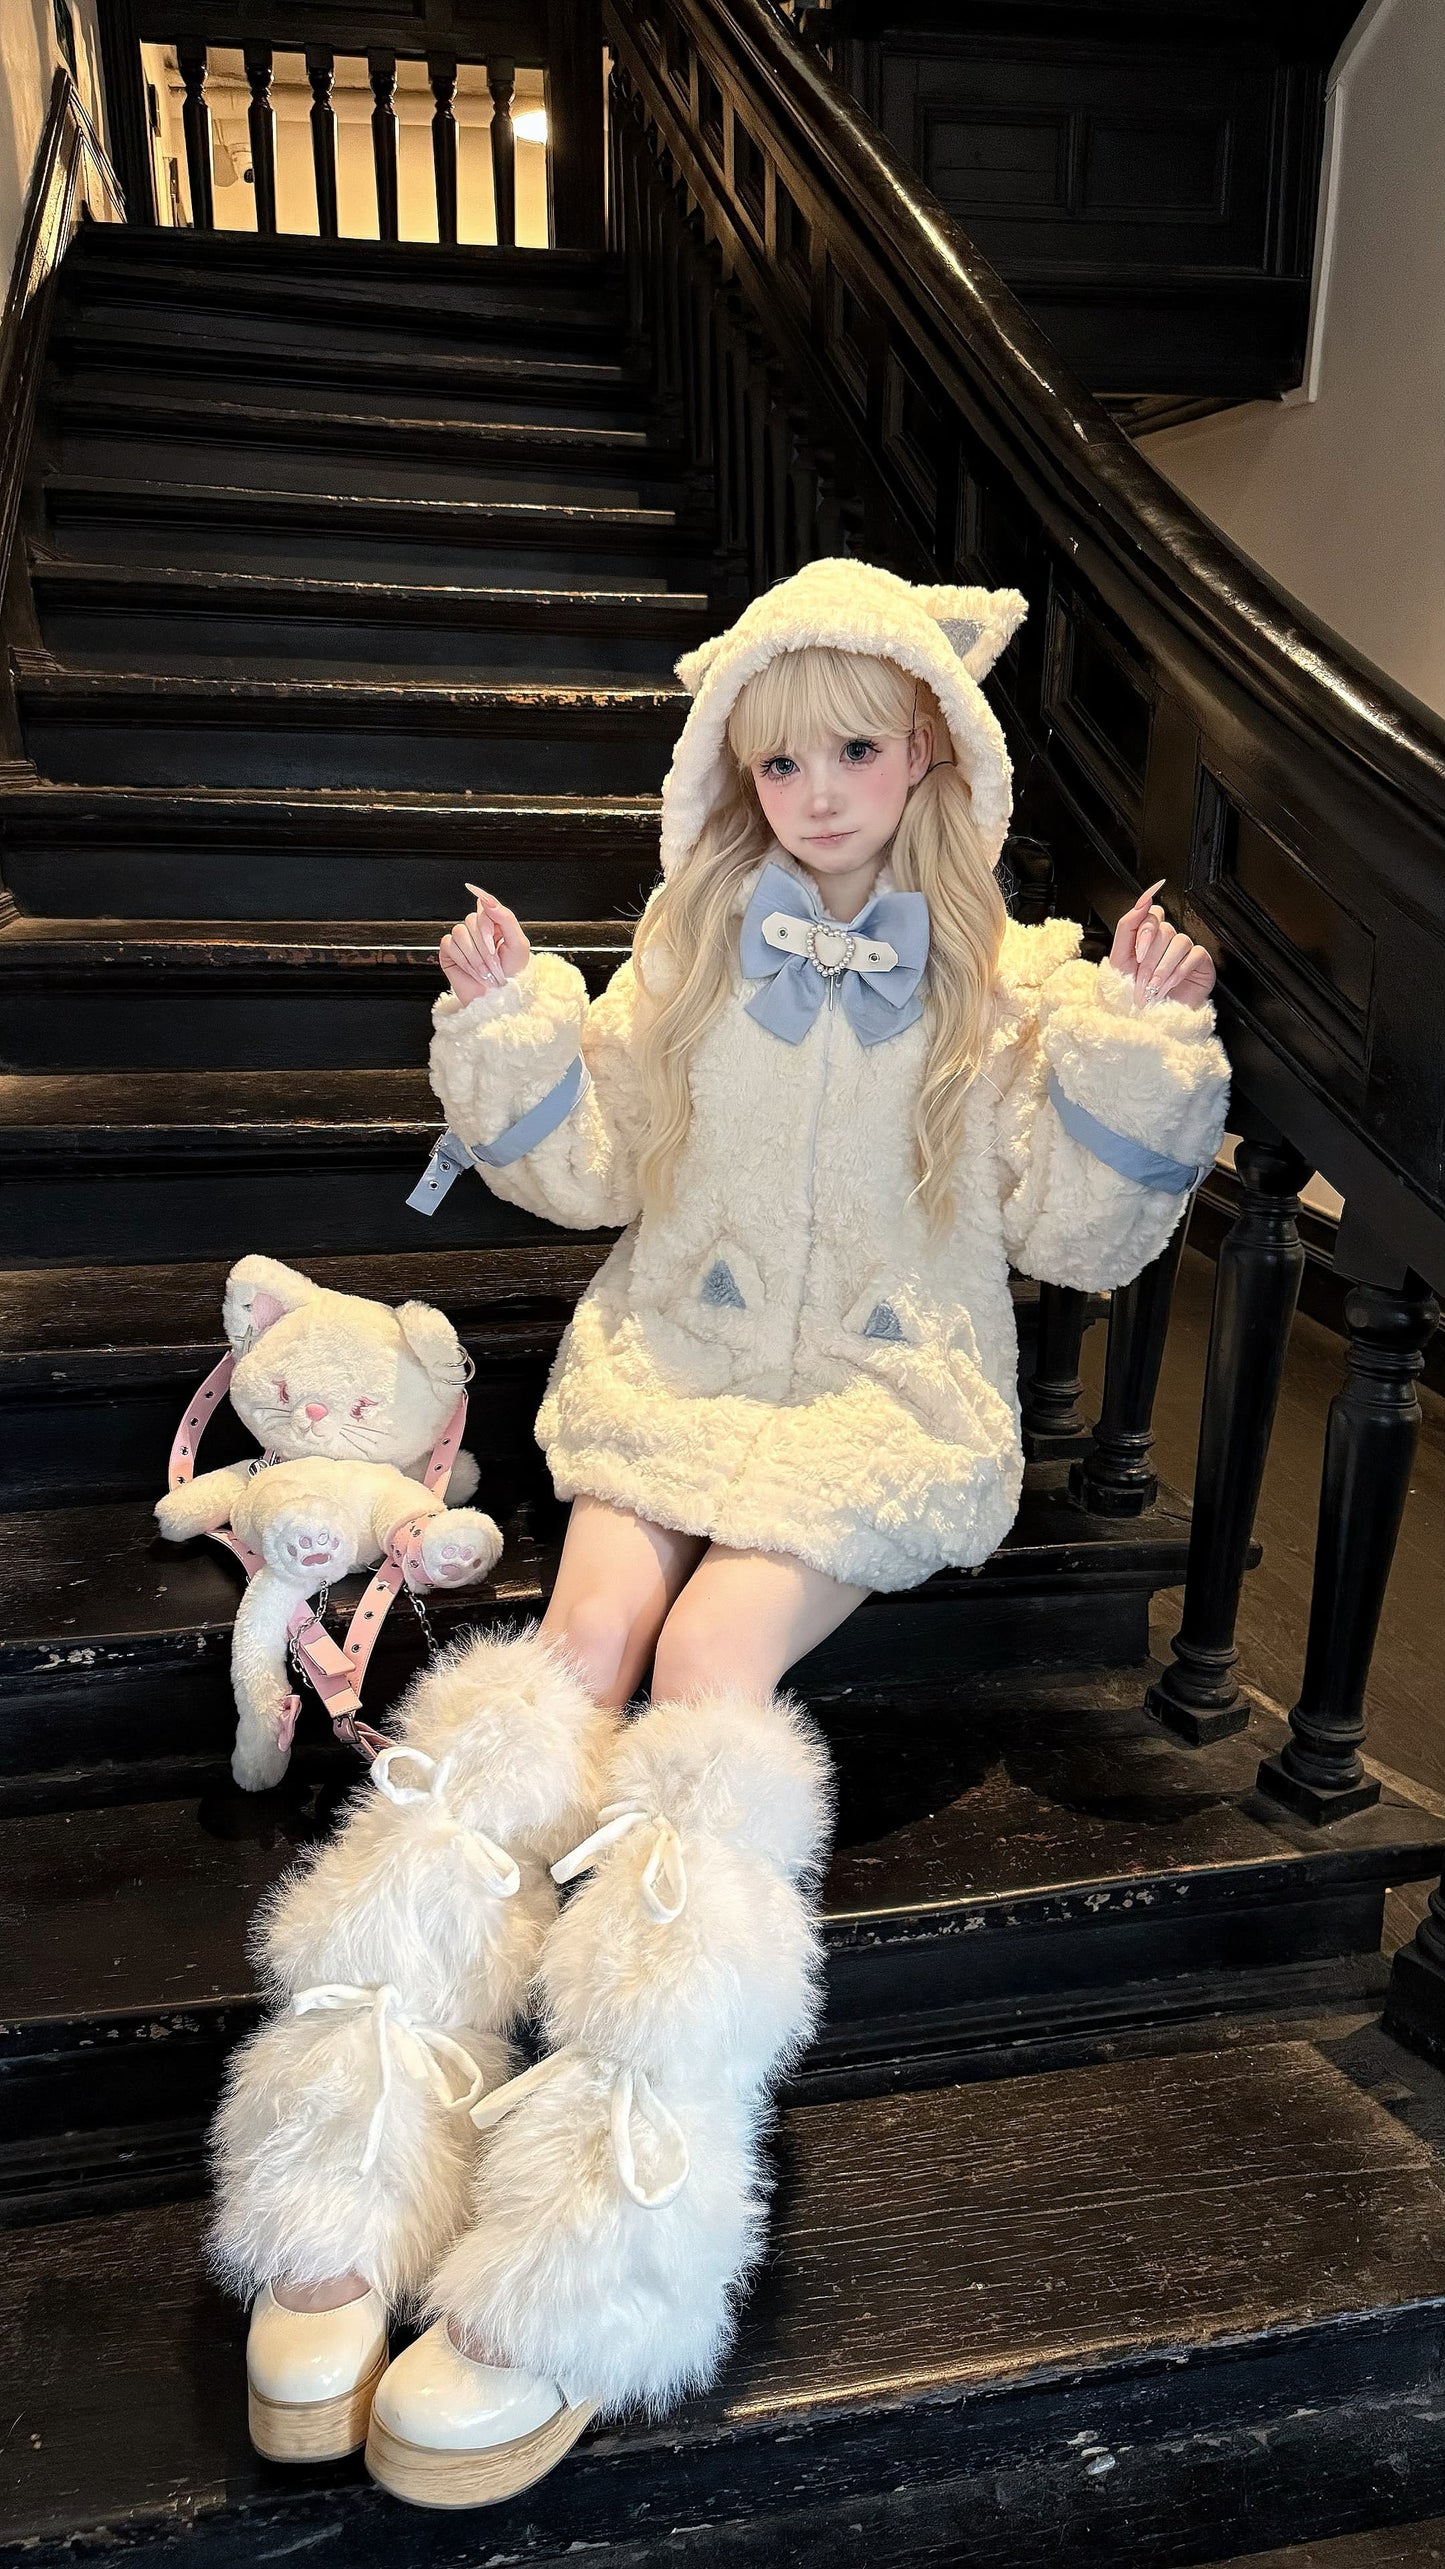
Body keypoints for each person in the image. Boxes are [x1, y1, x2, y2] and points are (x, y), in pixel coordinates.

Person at [213, 557, 1228, 2507]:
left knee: (702, 1664)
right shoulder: (692, 951)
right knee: (573, 1651)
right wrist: (515, 1031)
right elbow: (586, 1167)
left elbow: (1071, 1233)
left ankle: (613, 2211)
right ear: (733, 772)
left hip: (878, 1407)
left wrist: (1129, 1062)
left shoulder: (1005, 984)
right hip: (670, 1374)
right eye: (778, 762)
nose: (820, 791)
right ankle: (350, 2135)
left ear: (929, 740)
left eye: (853, 747)